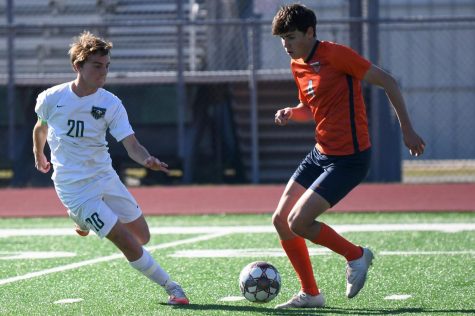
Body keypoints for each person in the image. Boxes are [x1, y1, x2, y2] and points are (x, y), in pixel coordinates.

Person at [271, 4, 425, 309]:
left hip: (349, 159)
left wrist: (407, 129)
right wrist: (293, 112)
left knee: (299, 222)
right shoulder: (298, 64)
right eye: (282, 40)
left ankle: (356, 255)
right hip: (320, 154)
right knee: (280, 221)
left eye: (290, 37)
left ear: (310, 32)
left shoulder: (336, 55)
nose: (286, 45)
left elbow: (389, 82)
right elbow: (310, 108)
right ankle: (311, 294)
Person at [32, 31, 189, 305]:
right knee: (125, 239)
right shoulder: (50, 98)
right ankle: (172, 287)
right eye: (96, 66)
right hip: (74, 187)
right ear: (77, 66)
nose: (103, 72)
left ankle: (78, 219)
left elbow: (131, 144)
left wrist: (147, 159)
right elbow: (40, 127)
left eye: (106, 66)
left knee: (142, 236)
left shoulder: (110, 103)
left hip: (104, 176)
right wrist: (38, 154)